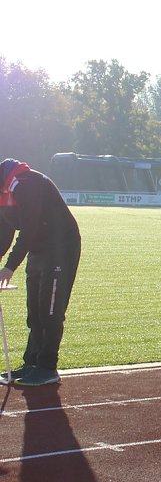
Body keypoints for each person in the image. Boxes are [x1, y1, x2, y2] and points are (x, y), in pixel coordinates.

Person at [0, 158, 81, 386]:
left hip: (60, 247)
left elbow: (29, 229)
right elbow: (5, 229)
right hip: (38, 248)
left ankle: (47, 367)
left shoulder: (27, 184)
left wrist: (8, 267)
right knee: (34, 310)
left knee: (50, 309)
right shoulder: (5, 190)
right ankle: (32, 363)